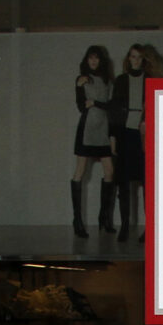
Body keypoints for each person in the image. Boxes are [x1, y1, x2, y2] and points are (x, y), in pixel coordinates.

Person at [108, 44, 163, 244]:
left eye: (138, 57)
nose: (135, 60)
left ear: (144, 60)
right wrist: (113, 137)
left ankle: (148, 228)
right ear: (128, 58)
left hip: (145, 135)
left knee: (147, 184)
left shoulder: (151, 81)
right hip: (125, 133)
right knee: (124, 183)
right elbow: (115, 111)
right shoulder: (121, 81)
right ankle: (125, 224)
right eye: (132, 57)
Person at [71, 45, 116, 239]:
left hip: (103, 128)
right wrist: (81, 88)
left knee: (109, 171)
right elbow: (81, 106)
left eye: (96, 58)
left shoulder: (108, 81)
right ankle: (77, 220)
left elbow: (111, 105)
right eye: (90, 58)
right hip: (87, 128)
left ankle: (104, 217)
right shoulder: (82, 79)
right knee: (79, 171)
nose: (93, 62)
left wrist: (95, 102)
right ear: (86, 60)